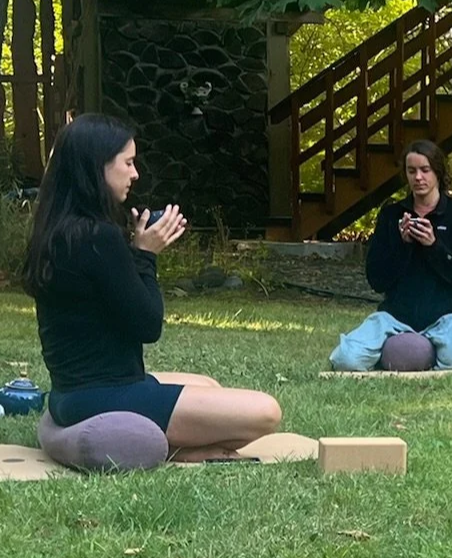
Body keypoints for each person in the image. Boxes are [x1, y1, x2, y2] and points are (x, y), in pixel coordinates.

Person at [22, 114, 281, 461]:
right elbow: (147, 324)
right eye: (127, 163)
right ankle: (179, 451)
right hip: (104, 394)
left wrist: (132, 254)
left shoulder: (59, 231)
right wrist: (145, 256)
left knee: (209, 386)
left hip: (71, 393)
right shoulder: (99, 237)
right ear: (97, 166)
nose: (135, 173)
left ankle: (180, 446)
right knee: (266, 411)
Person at [330, 140, 452, 371]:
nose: (418, 177)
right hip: (396, 315)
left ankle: (434, 353)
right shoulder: (392, 215)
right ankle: (406, 354)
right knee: (345, 359)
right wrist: (404, 246)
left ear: (438, 173)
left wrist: (434, 246)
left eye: (425, 170)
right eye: (412, 171)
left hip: (448, 314)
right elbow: (376, 279)